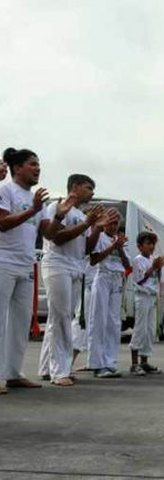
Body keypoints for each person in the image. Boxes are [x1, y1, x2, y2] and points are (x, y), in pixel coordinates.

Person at [0, 148, 75, 393]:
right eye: (32, 164)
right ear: (17, 168)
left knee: (20, 322)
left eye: (39, 164)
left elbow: (49, 234)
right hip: (4, 261)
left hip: (26, 264)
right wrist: (32, 210)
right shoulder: (4, 191)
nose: (38, 168)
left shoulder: (39, 201)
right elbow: (2, 223)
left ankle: (13, 373)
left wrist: (59, 217)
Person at [38, 174, 115, 386]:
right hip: (57, 263)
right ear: (75, 187)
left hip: (75, 265)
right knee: (61, 317)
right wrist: (87, 224)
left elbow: (87, 249)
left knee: (61, 317)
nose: (92, 193)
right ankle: (60, 371)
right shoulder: (55, 207)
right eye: (89, 188)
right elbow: (56, 237)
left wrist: (97, 228)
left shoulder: (82, 216)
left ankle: (47, 367)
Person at [88, 212, 131, 378]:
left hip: (117, 278)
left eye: (116, 223)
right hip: (103, 276)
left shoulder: (121, 240)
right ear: (104, 222)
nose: (113, 226)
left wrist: (119, 248)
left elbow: (127, 265)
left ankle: (110, 362)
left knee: (114, 322)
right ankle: (97, 364)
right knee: (99, 320)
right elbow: (94, 259)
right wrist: (112, 247)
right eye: (110, 222)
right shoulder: (99, 237)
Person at [129, 231, 164, 376]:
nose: (151, 247)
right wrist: (153, 268)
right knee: (140, 328)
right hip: (142, 296)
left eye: (153, 244)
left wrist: (159, 268)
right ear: (140, 246)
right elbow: (139, 279)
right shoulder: (138, 260)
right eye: (148, 244)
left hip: (151, 296)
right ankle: (134, 363)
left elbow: (156, 279)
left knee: (150, 330)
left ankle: (144, 361)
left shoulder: (153, 259)